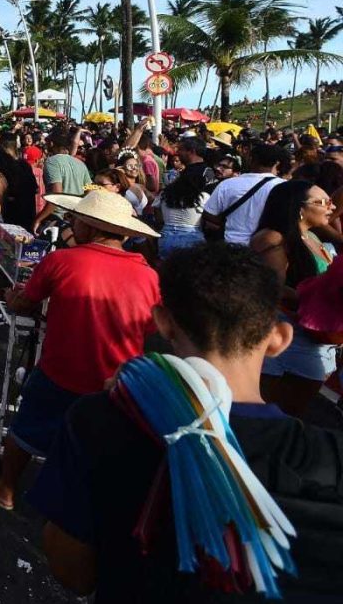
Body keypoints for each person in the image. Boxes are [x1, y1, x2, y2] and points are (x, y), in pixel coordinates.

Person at [28, 243, 343, 600]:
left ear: (162, 323)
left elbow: (72, 570)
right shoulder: (329, 457)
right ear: (279, 339)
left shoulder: (100, 420)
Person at [0, 190, 159, 512]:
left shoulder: (62, 260)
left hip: (62, 371)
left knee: (26, 427)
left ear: (88, 225)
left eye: (75, 219)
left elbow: (25, 303)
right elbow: (150, 327)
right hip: (117, 383)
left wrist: (10, 295)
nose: (71, 223)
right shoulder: (149, 276)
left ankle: (5, 488)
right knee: (97, 446)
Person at [252, 180, 337, 417]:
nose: (331, 207)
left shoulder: (312, 238)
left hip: (313, 335)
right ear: (299, 208)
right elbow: (273, 288)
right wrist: (320, 299)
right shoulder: (273, 239)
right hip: (287, 337)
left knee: (295, 407)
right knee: (278, 409)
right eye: (324, 202)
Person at [201, 143, 288, 244]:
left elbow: (208, 213)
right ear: (276, 163)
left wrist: (228, 222)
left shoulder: (227, 184)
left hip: (231, 245)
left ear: (251, 160)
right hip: (265, 247)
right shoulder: (283, 186)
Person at [155, 157, 213, 255]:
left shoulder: (165, 194)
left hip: (167, 237)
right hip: (193, 238)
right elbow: (209, 217)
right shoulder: (203, 197)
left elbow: (156, 210)